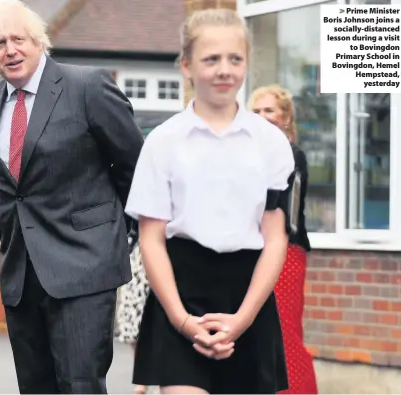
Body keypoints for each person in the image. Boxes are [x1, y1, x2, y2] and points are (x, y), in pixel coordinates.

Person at [0, 1, 144, 393]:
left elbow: (136, 168)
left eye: (18, 39)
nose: (10, 50)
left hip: (83, 268)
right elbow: (11, 189)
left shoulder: (88, 86)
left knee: (79, 386)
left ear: (39, 42)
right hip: (20, 274)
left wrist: (120, 237)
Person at [124, 9, 295, 395]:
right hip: (180, 290)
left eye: (235, 59)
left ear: (246, 64)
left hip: (248, 294)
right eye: (211, 59)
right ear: (186, 65)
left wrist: (245, 318)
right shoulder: (163, 142)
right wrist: (182, 320)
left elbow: (275, 237)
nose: (224, 70)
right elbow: (151, 239)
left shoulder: (271, 144)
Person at [248, 84, 318, 394]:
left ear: (286, 118)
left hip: (285, 253)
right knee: (255, 336)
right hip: (251, 252)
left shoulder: (292, 155)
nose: (262, 117)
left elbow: (285, 218)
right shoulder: (245, 154)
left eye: (270, 111)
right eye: (256, 111)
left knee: (285, 334)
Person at [116, 224, 150, 395]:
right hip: (136, 254)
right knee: (132, 324)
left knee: (162, 325)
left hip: (166, 253)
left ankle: (162, 379)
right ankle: (141, 378)